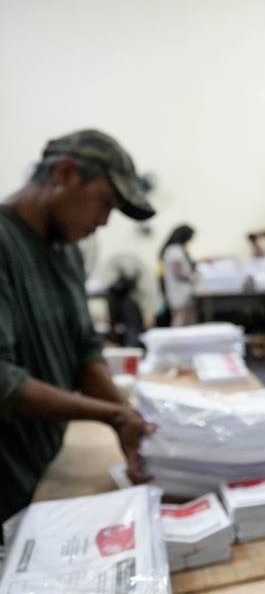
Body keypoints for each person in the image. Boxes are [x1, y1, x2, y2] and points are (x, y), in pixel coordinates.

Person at [0, 129, 156, 533]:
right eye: (105, 202)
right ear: (66, 174)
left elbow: (84, 350)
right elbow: (3, 383)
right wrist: (113, 414)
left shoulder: (67, 253)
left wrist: (127, 416)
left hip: (45, 470)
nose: (104, 221)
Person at [159, 224, 197, 326]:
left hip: (179, 292)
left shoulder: (173, 250)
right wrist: (194, 277)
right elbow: (178, 272)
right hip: (180, 292)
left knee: (185, 320)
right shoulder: (175, 251)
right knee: (180, 320)